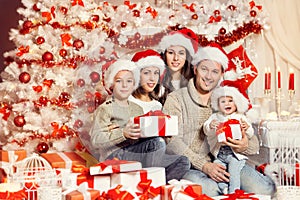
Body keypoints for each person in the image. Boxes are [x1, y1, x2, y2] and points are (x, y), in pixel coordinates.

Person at [162, 43, 276, 196]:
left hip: (228, 160)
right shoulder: (176, 99)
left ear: (222, 74)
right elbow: (173, 142)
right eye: (204, 69)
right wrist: (204, 165)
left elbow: (252, 136)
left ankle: (249, 179)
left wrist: (245, 145)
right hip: (192, 165)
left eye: (215, 71)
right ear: (195, 69)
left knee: (265, 190)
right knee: (211, 190)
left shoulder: (227, 100)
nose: (209, 76)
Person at [89, 59, 189, 181]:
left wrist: (162, 131)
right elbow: (95, 140)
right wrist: (122, 134)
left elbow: (144, 140)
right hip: (115, 155)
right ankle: (150, 182)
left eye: (129, 81)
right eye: (119, 81)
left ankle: (152, 183)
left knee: (183, 161)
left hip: (137, 153)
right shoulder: (106, 108)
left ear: (134, 84)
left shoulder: (137, 108)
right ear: (112, 84)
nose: (125, 85)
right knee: (157, 143)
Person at [203, 83, 255, 194]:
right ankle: (223, 188)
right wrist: (210, 125)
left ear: (236, 103)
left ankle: (233, 192)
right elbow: (206, 129)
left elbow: (250, 133)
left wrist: (246, 128)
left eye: (230, 101)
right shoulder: (215, 117)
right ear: (218, 105)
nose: (227, 103)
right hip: (220, 154)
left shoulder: (240, 117)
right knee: (219, 171)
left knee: (233, 171)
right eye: (223, 101)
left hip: (234, 155)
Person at [158, 28, 198, 105]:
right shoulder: (157, 82)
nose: (176, 58)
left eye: (181, 53)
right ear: (164, 55)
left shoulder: (195, 83)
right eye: (171, 52)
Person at [129, 49, 165, 113]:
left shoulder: (158, 106)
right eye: (146, 73)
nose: (152, 78)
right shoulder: (126, 102)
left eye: (156, 73)